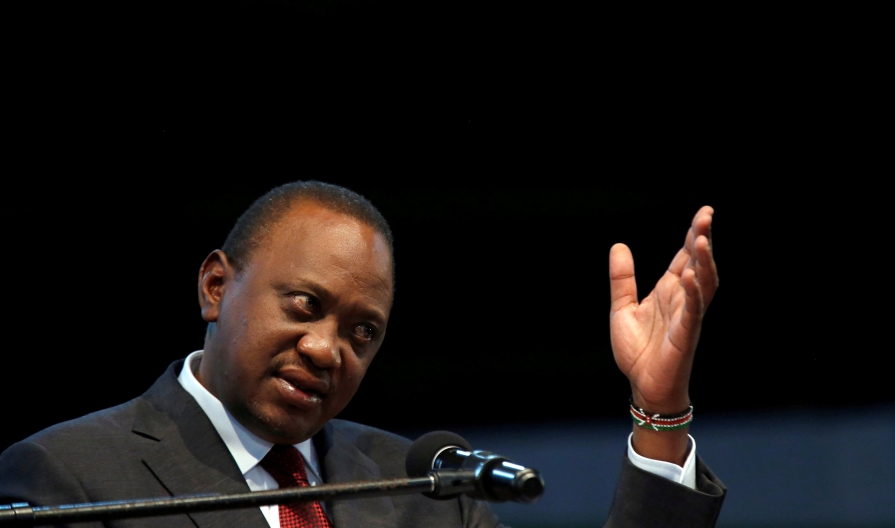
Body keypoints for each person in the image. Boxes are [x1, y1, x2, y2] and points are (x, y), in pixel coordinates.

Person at [0, 181, 726, 527]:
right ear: (216, 286)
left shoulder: (431, 493)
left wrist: (658, 408)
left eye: (362, 332)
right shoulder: (70, 476)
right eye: (303, 305)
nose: (326, 349)